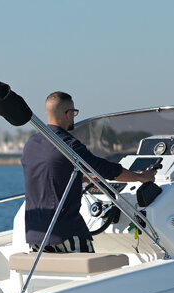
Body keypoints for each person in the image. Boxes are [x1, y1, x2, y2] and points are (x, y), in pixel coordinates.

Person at [22, 91, 156, 253]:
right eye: (74, 112)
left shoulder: (31, 144)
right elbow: (105, 169)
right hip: (65, 232)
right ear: (67, 113)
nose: (74, 117)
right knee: (89, 265)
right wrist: (141, 177)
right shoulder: (68, 145)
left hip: (35, 233)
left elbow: (49, 176)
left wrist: (84, 179)